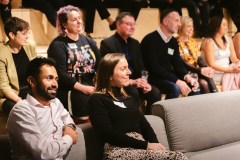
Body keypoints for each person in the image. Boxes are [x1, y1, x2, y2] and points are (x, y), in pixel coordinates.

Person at [88, 53, 189, 160]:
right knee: (178, 157)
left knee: (173, 156)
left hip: (141, 148)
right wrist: (146, 145)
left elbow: (145, 126)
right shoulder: (97, 99)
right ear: (109, 75)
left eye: (128, 68)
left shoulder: (128, 98)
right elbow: (108, 134)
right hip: (117, 150)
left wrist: (157, 147)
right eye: (123, 69)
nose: (129, 72)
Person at [7, 57, 78, 159]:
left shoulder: (56, 103)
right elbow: (44, 153)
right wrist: (69, 137)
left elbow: (68, 119)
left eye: (56, 79)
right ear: (32, 81)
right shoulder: (21, 111)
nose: (55, 84)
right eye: (49, 78)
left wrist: (69, 127)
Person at [48, 5, 101, 122]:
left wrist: (98, 83)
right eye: (74, 19)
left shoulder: (89, 41)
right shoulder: (57, 45)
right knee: (83, 101)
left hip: (91, 84)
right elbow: (60, 74)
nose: (79, 22)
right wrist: (83, 88)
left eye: (79, 18)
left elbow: (100, 64)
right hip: (70, 88)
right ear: (64, 24)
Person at [100, 12, 161, 114]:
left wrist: (144, 81)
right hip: (119, 83)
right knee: (133, 92)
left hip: (137, 81)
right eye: (128, 24)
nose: (132, 27)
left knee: (154, 92)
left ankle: (150, 119)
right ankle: (136, 121)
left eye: (133, 24)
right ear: (118, 25)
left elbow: (142, 66)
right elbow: (109, 71)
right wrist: (131, 81)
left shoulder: (135, 43)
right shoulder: (107, 43)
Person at [141, 9, 199, 99]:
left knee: (195, 85)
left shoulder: (173, 41)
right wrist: (177, 81)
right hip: (154, 78)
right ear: (165, 21)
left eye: (179, 21)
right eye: (176, 20)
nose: (179, 24)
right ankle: (166, 112)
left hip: (168, 77)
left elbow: (177, 63)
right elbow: (155, 68)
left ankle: (189, 112)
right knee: (175, 88)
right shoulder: (150, 40)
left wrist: (188, 77)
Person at [0, 17, 37, 115]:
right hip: (9, 95)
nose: (27, 36)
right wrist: (20, 101)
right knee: (21, 110)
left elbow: (36, 69)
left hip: (29, 89)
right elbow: (4, 87)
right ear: (12, 35)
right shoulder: (1, 54)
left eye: (28, 33)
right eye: (24, 33)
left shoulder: (30, 46)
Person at [177, 16, 217, 93]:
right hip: (185, 73)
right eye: (188, 26)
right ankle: (215, 97)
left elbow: (199, 59)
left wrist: (207, 68)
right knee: (203, 83)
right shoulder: (176, 42)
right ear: (181, 28)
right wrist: (201, 70)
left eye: (192, 26)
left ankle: (215, 97)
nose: (191, 28)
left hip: (196, 72)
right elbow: (183, 62)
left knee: (207, 76)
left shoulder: (193, 41)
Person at [201, 15, 240, 91]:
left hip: (230, 71)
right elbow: (211, 64)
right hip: (216, 74)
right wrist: (229, 70)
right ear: (216, 27)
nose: (226, 27)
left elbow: (234, 59)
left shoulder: (228, 39)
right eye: (224, 25)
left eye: (227, 25)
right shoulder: (209, 42)